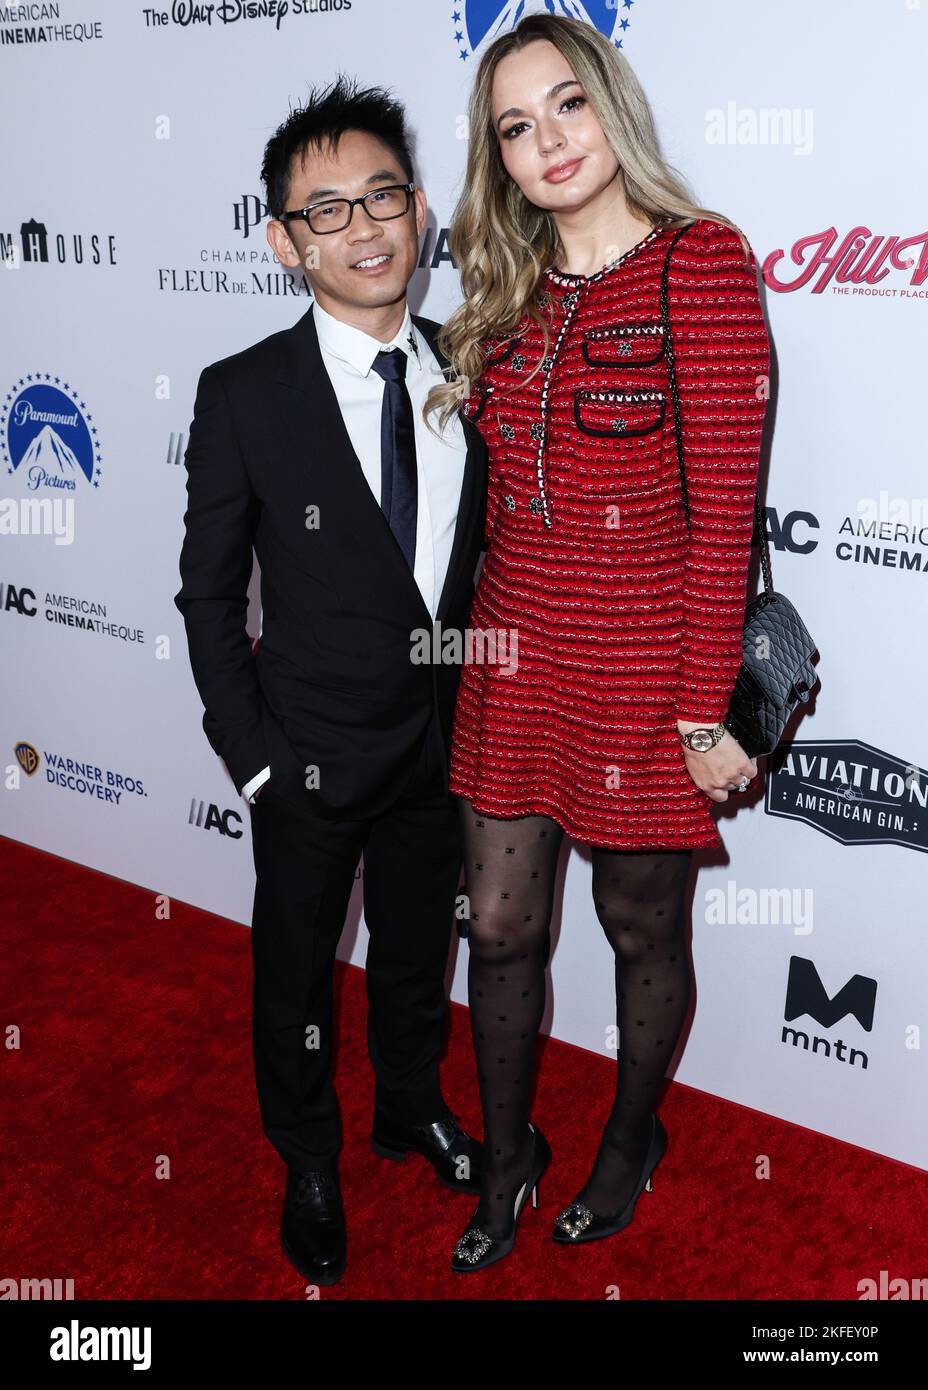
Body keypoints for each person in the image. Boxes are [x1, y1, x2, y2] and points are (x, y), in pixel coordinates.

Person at [423, 15, 770, 1272]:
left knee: (639, 931)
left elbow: (724, 513)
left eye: (565, 106)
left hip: (644, 673)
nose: (546, 143)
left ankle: (629, 1139)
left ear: (610, 106)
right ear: (496, 156)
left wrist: (697, 712)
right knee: (501, 928)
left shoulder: (703, 263)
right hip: (512, 665)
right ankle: (510, 1157)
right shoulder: (500, 288)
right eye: (515, 126)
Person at [174, 77, 489, 1286]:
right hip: (302, 750)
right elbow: (209, 598)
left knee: (417, 947)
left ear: (420, 211)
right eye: (327, 210)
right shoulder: (243, 392)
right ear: (283, 240)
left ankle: (406, 1106)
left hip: (440, 741)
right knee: (297, 968)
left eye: (383, 197)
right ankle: (306, 1155)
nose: (363, 229)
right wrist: (251, 755)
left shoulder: (472, 361)